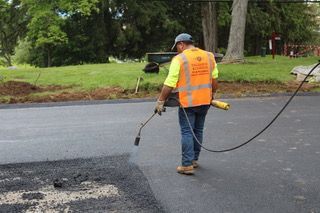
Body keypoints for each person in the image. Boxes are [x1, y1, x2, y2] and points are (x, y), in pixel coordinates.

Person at [155, 33, 219, 175]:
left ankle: (187, 165)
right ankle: (194, 160)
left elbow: (170, 83)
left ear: (181, 44)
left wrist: (161, 101)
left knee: (187, 132)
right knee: (198, 130)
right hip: (205, 101)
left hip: (188, 104)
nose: (177, 50)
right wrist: (212, 95)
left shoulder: (180, 59)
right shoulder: (209, 56)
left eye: (177, 47)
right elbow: (214, 80)